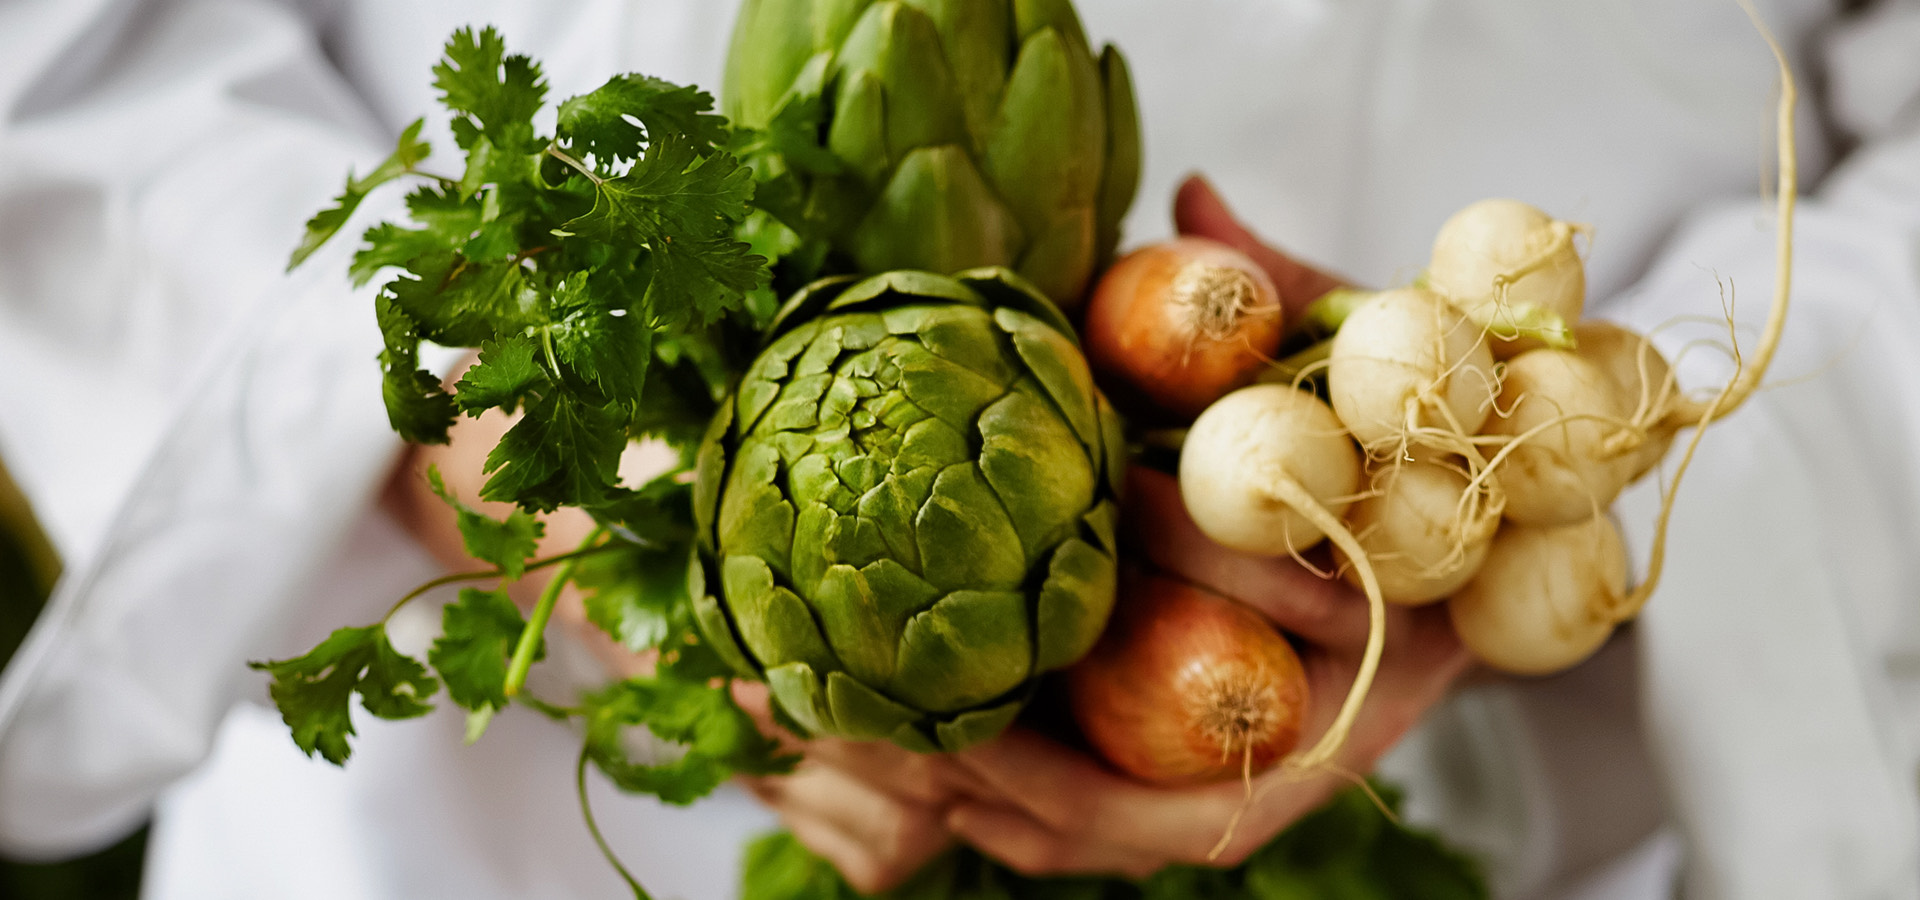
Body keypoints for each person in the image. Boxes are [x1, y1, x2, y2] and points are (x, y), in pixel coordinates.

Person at [2, 1, 1917, 898]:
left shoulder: (1501, 485)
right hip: (475, 828)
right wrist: (478, 445)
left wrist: (1502, 495)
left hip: (1530, 701)